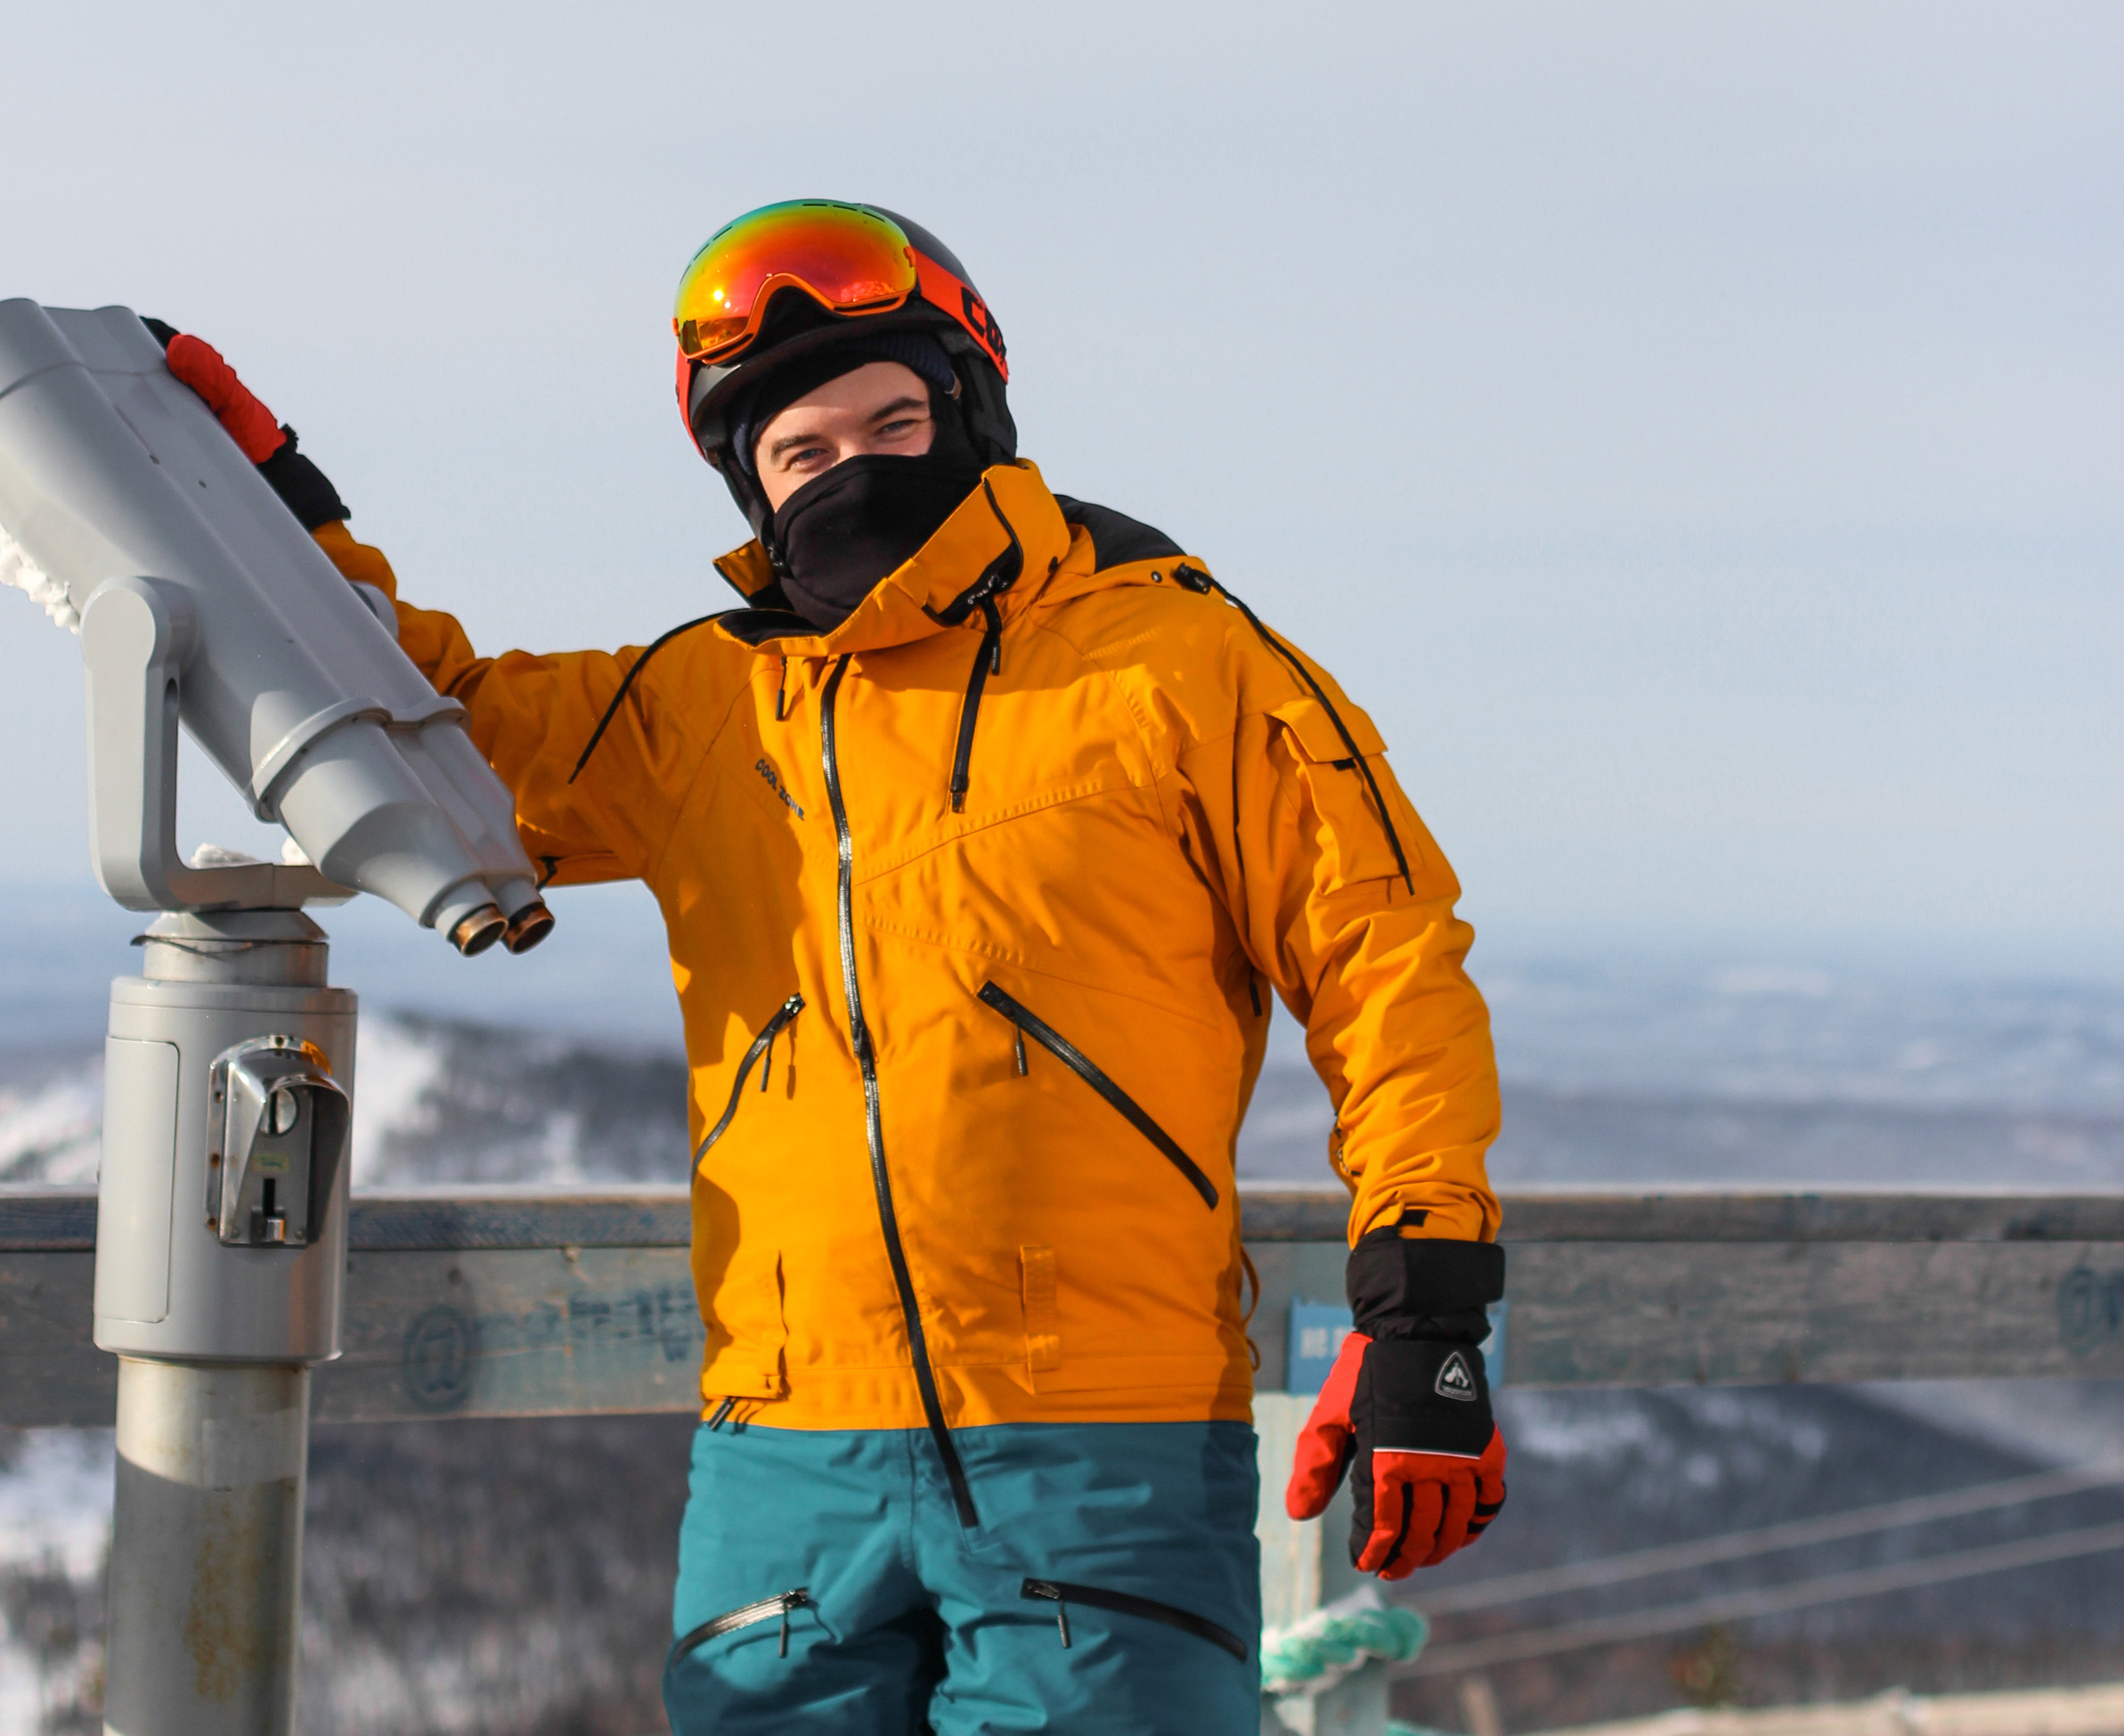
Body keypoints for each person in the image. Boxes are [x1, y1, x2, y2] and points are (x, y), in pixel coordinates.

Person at [156, 199, 1506, 1731]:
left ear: (975, 412)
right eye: (799, 450)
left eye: (894, 418)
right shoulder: (701, 709)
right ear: (753, 484)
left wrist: (1428, 1318)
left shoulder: (1175, 664)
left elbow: (1386, 962)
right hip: (784, 1461)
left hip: (1102, 1440)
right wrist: (271, 496)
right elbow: (434, 719)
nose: (851, 467)